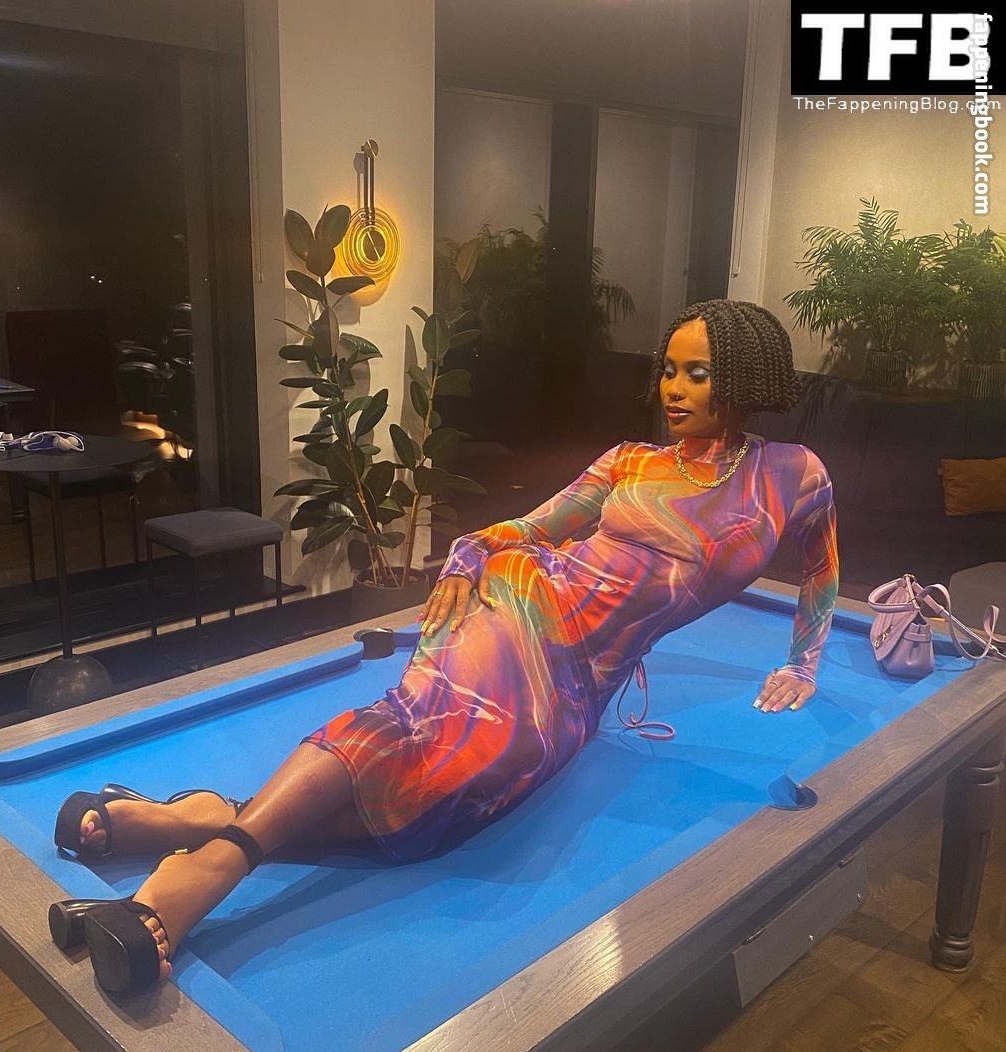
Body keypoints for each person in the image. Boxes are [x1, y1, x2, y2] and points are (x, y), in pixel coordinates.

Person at [49, 298, 839, 994]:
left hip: (581, 687)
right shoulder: (631, 463)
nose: (673, 387)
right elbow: (524, 531)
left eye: (697, 373)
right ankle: (212, 871)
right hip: (525, 603)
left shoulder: (794, 476)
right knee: (416, 734)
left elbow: (821, 565)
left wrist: (804, 661)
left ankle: (199, 820)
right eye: (668, 370)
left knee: (449, 808)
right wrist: (467, 554)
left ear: (744, 377)